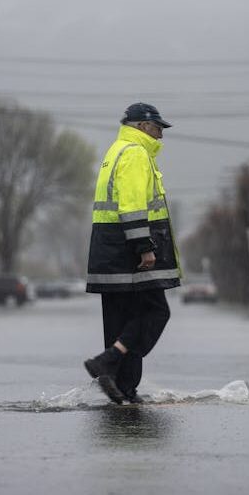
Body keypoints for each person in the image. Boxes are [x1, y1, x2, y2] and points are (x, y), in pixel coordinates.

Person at [84, 102, 182, 404]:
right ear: (142, 126)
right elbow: (132, 205)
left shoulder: (116, 151)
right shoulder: (136, 153)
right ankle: (110, 361)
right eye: (157, 128)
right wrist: (144, 247)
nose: (161, 135)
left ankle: (120, 384)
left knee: (120, 318)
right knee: (155, 312)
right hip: (130, 252)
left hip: (109, 251)